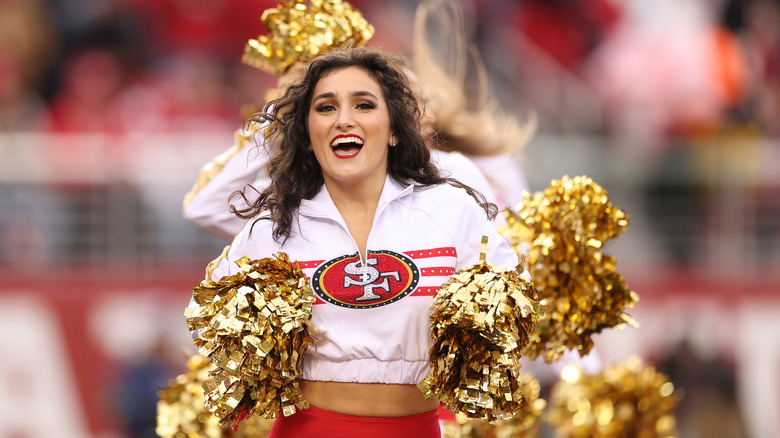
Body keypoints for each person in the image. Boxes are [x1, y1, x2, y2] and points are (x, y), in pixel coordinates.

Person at [189, 47, 519, 437]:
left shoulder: (451, 209)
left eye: (364, 105)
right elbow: (205, 322)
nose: (344, 120)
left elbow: (512, 310)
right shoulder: (273, 226)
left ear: (395, 127)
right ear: (308, 134)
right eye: (325, 108)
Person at [182, 0, 501, 242]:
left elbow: (496, 270)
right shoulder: (296, 196)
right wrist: (282, 115)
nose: (426, 116)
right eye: (327, 107)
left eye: (420, 102)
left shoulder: (453, 176)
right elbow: (205, 208)